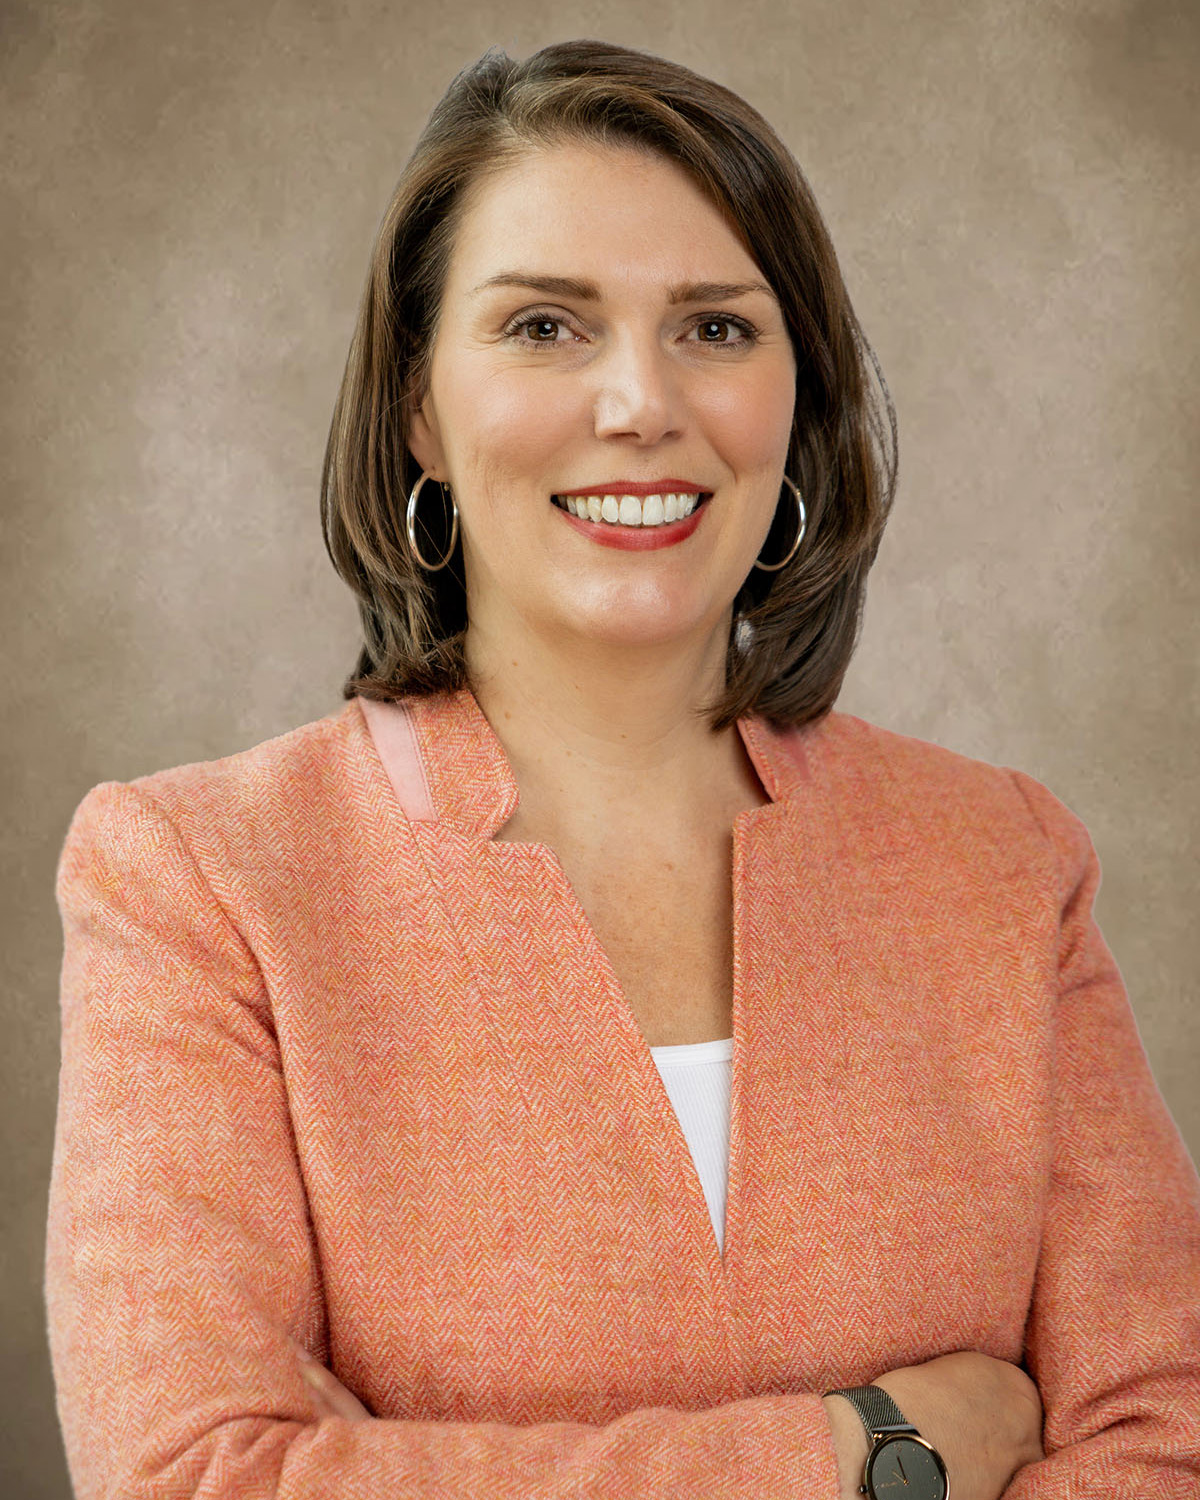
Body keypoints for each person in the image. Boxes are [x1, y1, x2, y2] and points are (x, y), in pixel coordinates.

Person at [45, 38, 1200, 1500]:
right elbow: (195, 1477)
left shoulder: (1005, 858)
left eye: (717, 329)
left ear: (800, 397)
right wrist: (864, 1455)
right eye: (544, 327)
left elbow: (1167, 1439)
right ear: (420, 412)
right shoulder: (200, 881)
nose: (640, 402)